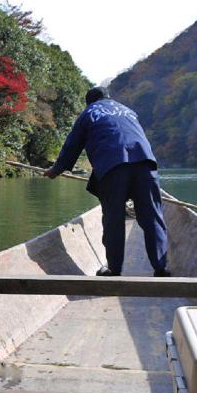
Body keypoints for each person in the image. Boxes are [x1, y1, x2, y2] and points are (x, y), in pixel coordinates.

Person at [44, 86, 170, 277]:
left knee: (114, 218)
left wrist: (56, 170)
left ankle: (114, 269)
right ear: (109, 97)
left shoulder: (89, 113)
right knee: (152, 215)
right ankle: (161, 268)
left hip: (113, 167)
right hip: (145, 163)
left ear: (90, 102)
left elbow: (72, 146)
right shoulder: (129, 111)